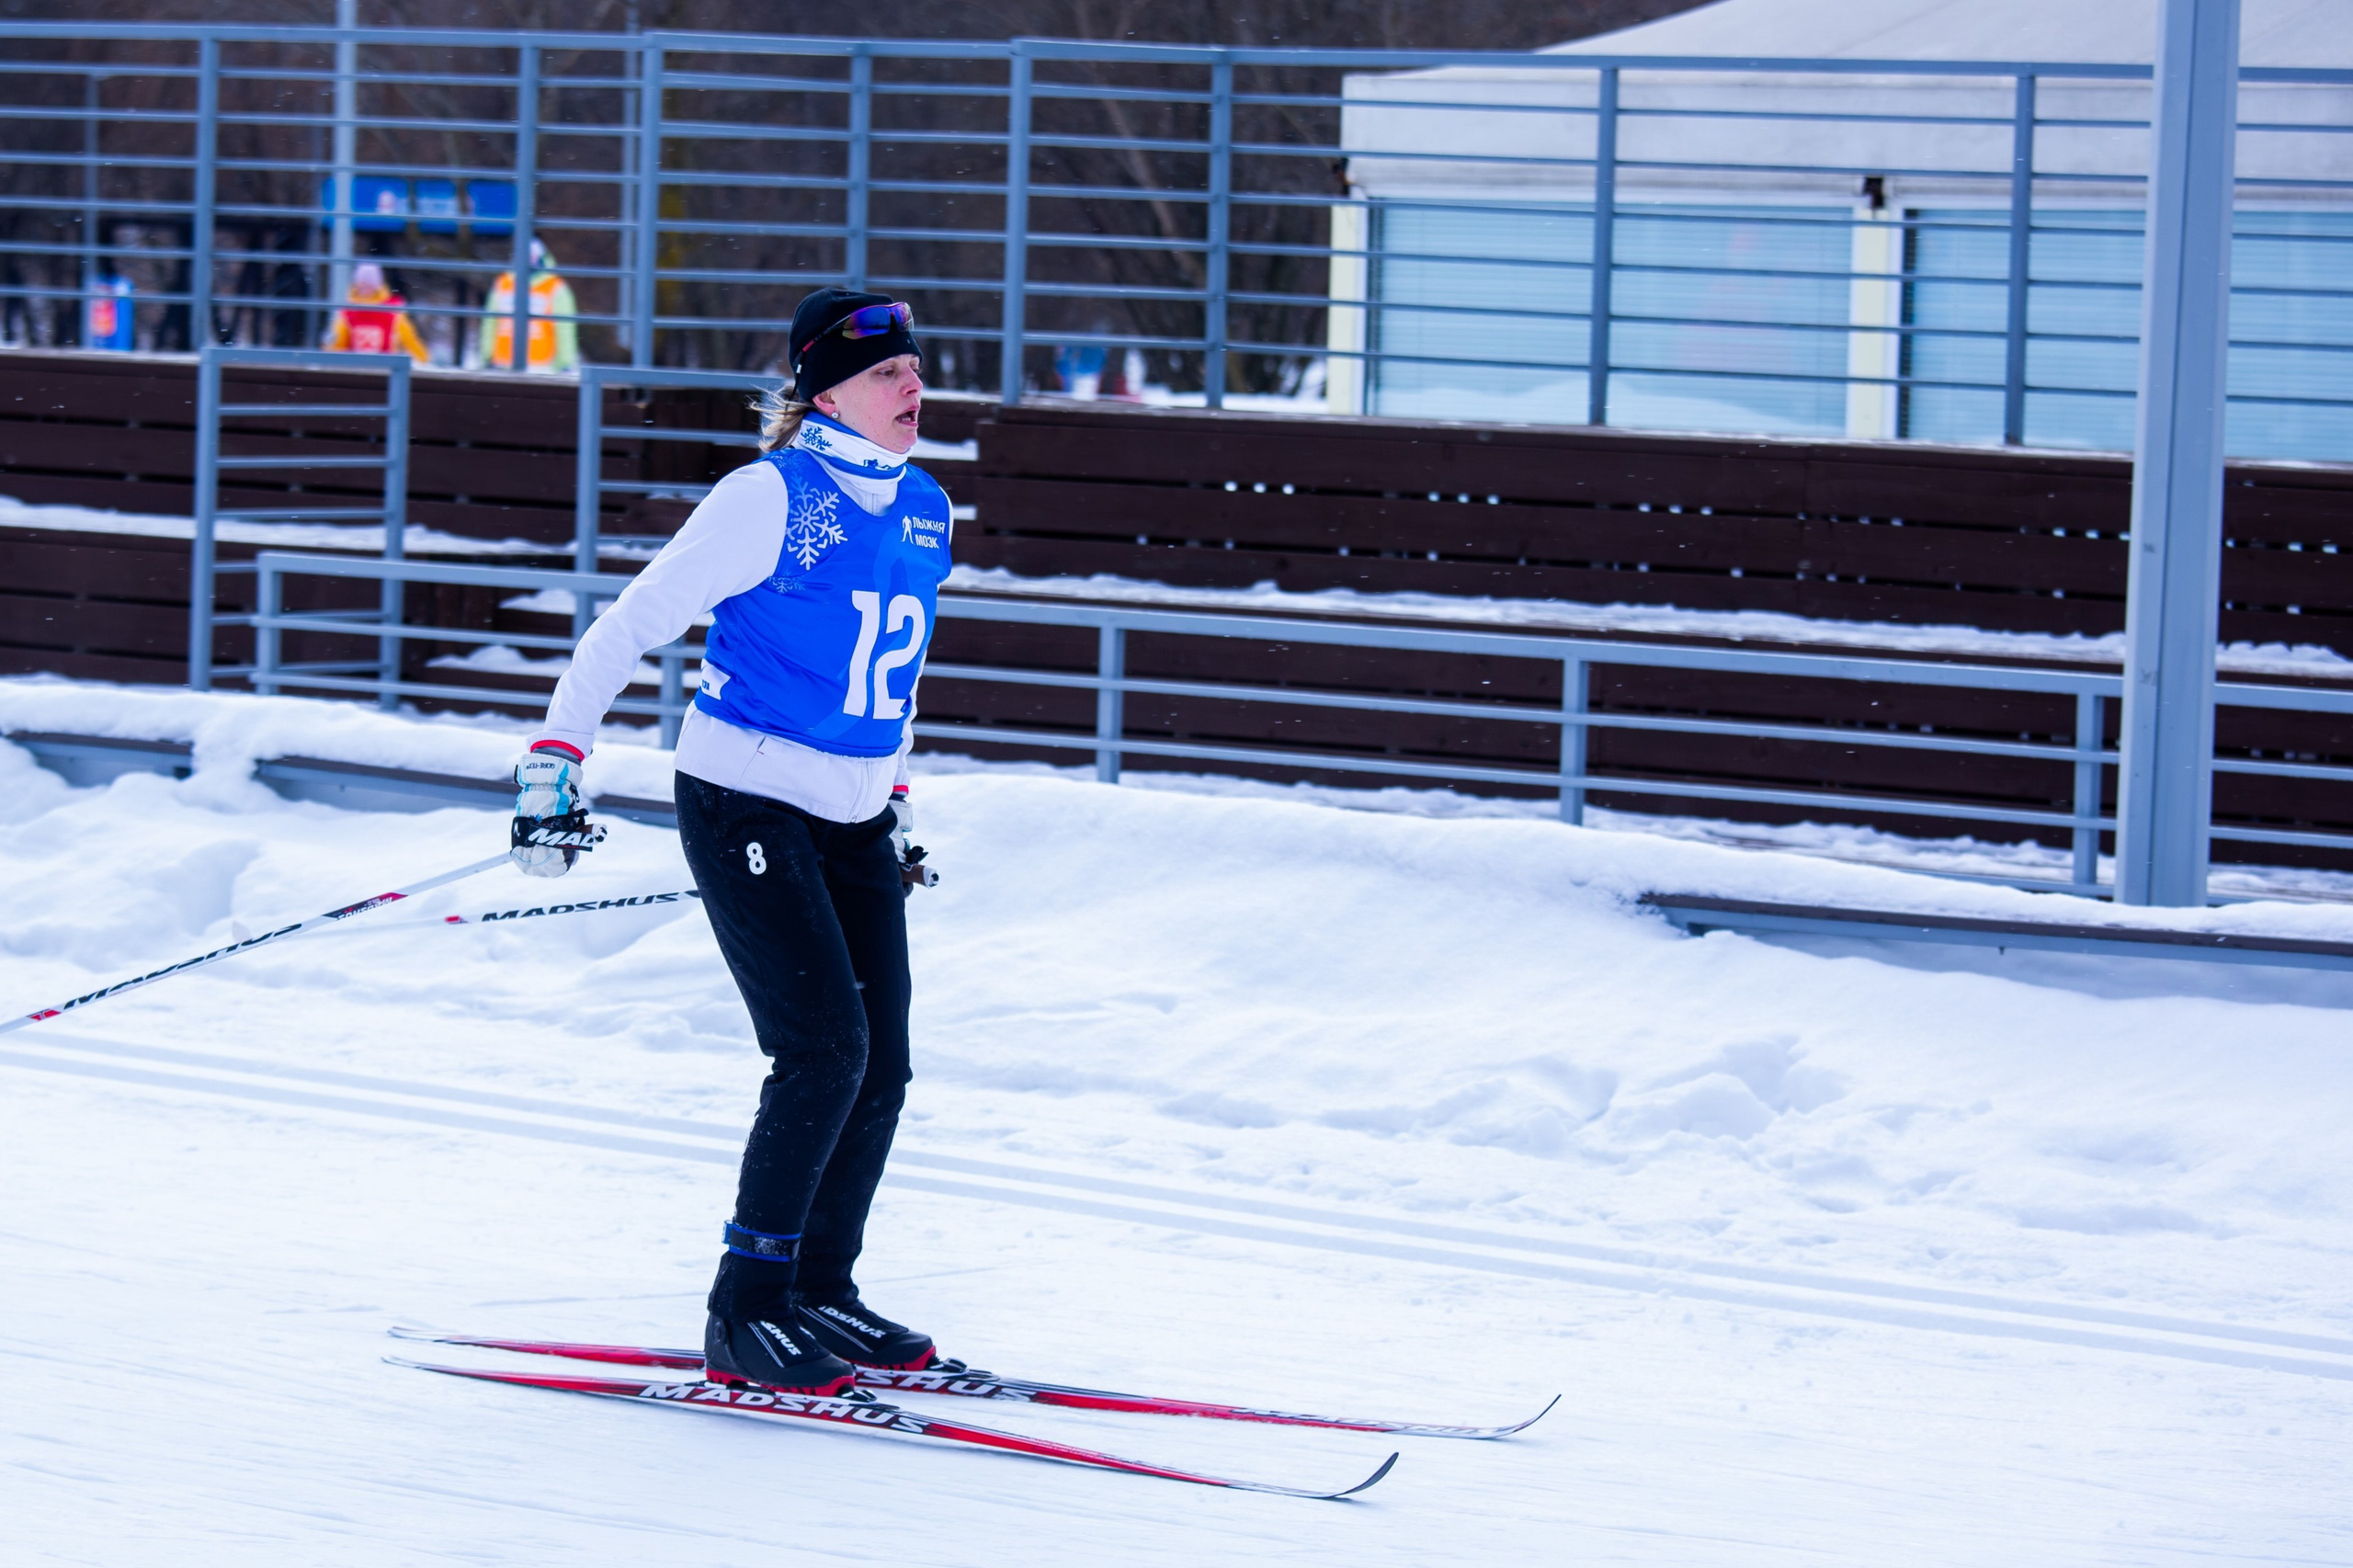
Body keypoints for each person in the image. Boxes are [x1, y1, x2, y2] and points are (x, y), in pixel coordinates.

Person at [510, 289, 949, 1395]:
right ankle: (744, 1306)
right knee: (821, 1051)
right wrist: (557, 756)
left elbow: (890, 673)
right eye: (887, 372)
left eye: (913, 367)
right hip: (744, 794)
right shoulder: (769, 496)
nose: (913, 385)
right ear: (823, 393)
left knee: (881, 1063)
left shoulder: (926, 506)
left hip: (851, 811)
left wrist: (891, 796)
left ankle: (818, 1287)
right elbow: (629, 623)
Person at [480, 239, 579, 372]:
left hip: (542, 369)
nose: (528, 261)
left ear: (541, 257)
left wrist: (565, 363)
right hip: (502, 366)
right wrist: (486, 356)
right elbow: (490, 322)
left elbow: (565, 328)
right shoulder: (503, 283)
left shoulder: (555, 287)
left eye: (532, 256)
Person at [324, 263, 430, 363]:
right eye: (362, 284)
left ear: (377, 286)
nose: (365, 288)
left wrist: (423, 361)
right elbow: (337, 343)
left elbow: (410, 340)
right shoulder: (347, 312)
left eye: (369, 285)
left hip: (385, 369)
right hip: (354, 369)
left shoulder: (392, 312)